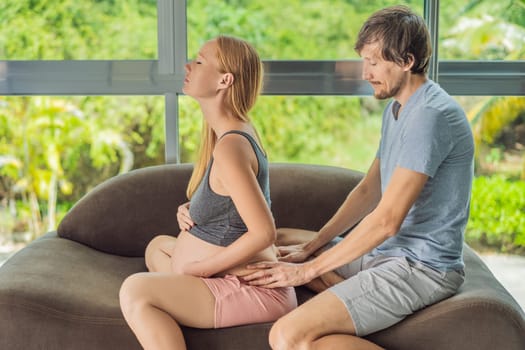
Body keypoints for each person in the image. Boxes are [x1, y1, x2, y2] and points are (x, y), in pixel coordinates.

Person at [244, 5, 474, 350]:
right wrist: (311, 247)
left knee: (286, 335)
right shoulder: (398, 109)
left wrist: (307, 271)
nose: (366, 73)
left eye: (375, 62)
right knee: (278, 240)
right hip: (387, 254)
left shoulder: (430, 116)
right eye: (364, 61)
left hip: (419, 267)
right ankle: (335, 285)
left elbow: (386, 221)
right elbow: (369, 190)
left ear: (407, 61)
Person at [119, 35, 297, 350]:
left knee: (136, 290)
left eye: (200, 61)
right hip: (225, 275)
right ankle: (185, 283)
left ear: (224, 80)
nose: (188, 65)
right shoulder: (231, 134)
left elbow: (264, 232)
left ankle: (185, 284)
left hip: (254, 291)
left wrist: (199, 268)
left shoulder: (231, 146)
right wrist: (196, 210)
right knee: (157, 246)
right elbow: (230, 203)